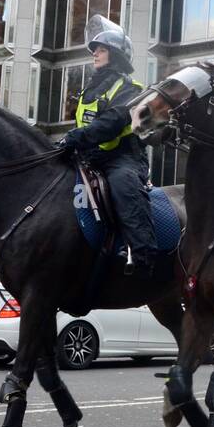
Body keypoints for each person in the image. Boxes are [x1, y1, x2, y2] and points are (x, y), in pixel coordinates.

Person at [54, 15, 155, 276]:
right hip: (89, 156)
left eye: (101, 50)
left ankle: (142, 252)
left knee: (122, 184)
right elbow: (80, 124)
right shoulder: (89, 90)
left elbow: (111, 123)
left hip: (122, 158)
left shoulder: (131, 88)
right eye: (94, 50)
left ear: (116, 55)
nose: (95, 55)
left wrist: (75, 137)